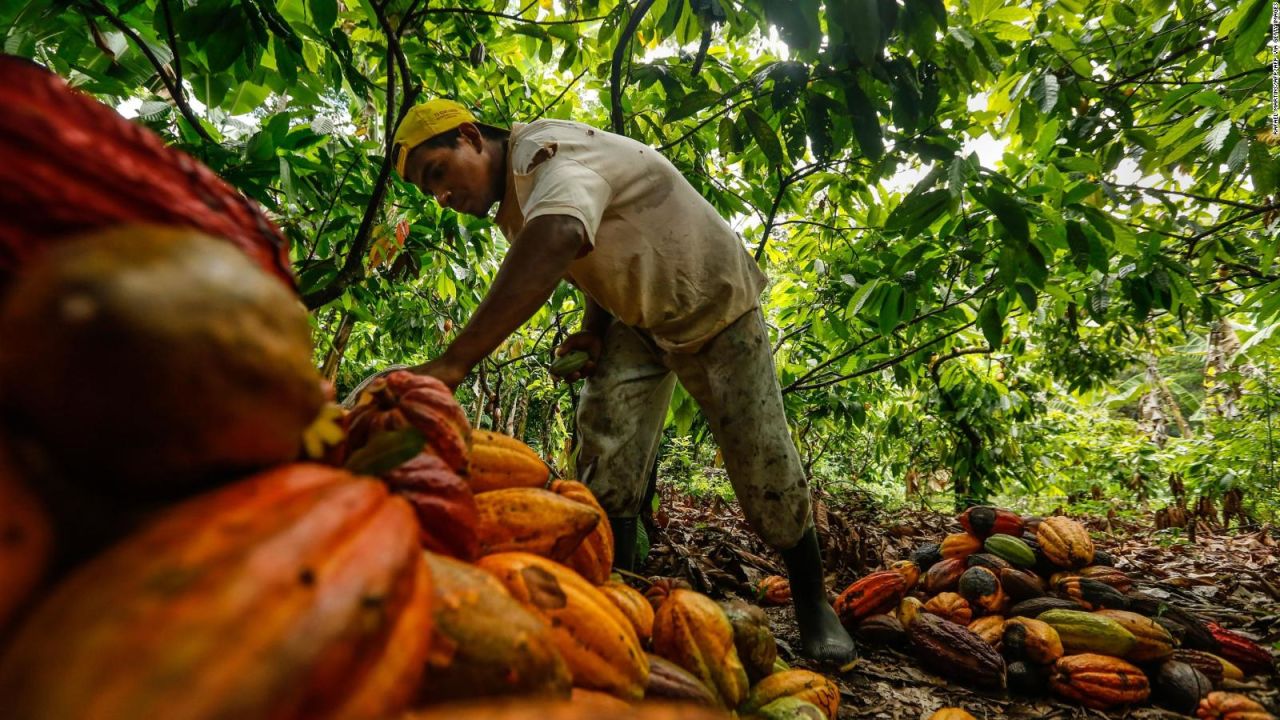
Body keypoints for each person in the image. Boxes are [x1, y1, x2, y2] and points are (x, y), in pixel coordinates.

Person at [389, 98, 855, 663]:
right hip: (636, 321)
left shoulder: (542, 153)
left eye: (437, 174)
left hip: (711, 301)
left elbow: (562, 233)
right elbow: (601, 251)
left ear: (469, 136)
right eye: (428, 192)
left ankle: (812, 600)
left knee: (762, 462)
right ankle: (619, 587)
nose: (441, 198)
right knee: (605, 447)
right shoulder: (517, 196)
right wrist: (591, 329)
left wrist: (453, 362)